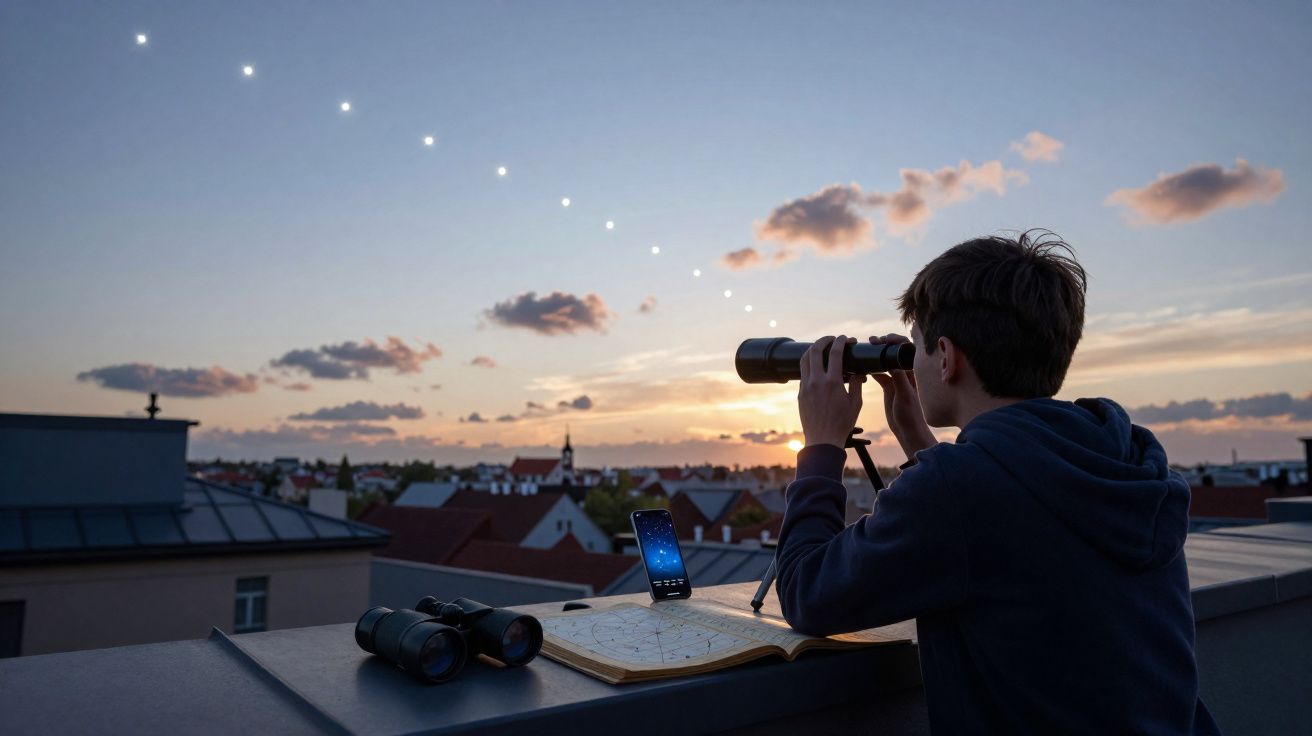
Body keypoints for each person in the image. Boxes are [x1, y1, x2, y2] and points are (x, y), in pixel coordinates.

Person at [776, 231, 1220, 735]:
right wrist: (914, 433)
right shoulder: (1125, 457)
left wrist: (820, 446)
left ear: (945, 357)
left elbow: (807, 593)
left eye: (918, 349)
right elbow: (1006, 516)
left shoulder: (960, 489)